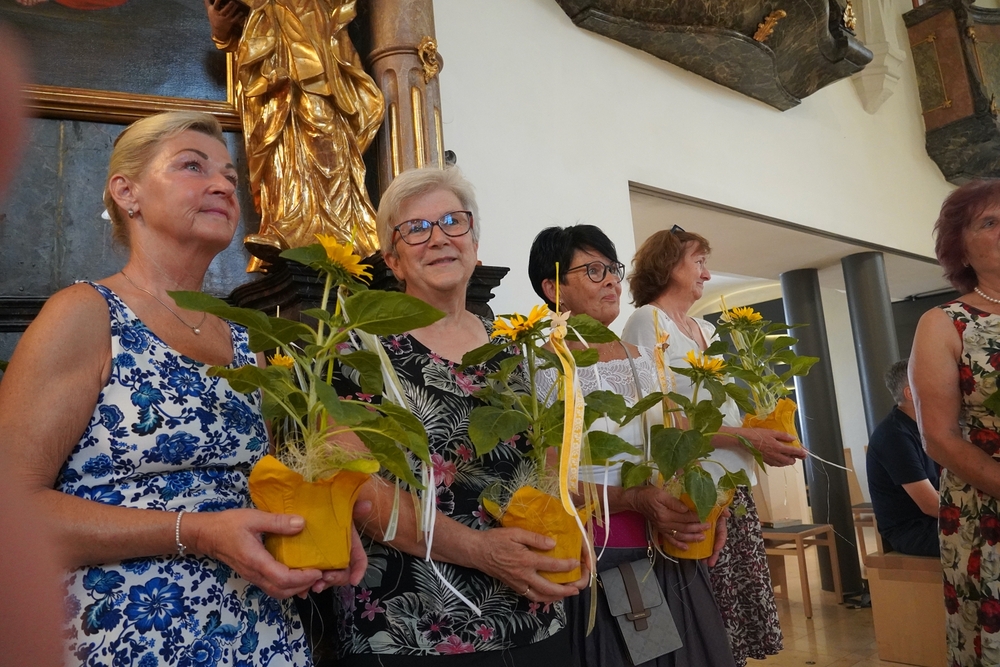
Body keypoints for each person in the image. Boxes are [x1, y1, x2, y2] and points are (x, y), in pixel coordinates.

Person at [0, 111, 368, 666]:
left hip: (260, 637)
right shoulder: (85, 314)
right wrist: (194, 532)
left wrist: (314, 523)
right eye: (193, 167)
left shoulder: (247, 341)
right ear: (127, 192)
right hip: (130, 637)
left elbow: (261, 486)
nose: (223, 185)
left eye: (229, 176)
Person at [311, 166, 587, 667]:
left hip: (533, 616)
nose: (438, 237)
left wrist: (574, 532)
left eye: (453, 221)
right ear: (393, 260)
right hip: (410, 628)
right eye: (416, 228)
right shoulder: (357, 349)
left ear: (475, 245)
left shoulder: (516, 348)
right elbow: (354, 485)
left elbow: (552, 468)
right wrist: (481, 550)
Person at [528, 224, 737, 667]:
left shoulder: (647, 358)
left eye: (613, 269)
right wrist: (632, 499)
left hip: (667, 547)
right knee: (624, 654)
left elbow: (677, 448)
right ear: (553, 288)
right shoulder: (538, 366)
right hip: (598, 557)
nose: (611, 281)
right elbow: (544, 478)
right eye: (594, 270)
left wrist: (709, 506)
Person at [621, 228, 806, 667]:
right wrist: (747, 437)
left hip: (729, 485)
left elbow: (719, 408)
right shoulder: (647, 321)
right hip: (691, 487)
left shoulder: (705, 328)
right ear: (668, 265)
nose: (707, 273)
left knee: (732, 618)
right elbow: (660, 418)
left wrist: (762, 431)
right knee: (704, 620)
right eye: (699, 262)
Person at [204, 0, 384, 271]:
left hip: (317, 62)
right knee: (280, 156)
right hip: (272, 81)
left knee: (326, 142)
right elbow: (238, 31)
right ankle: (287, 227)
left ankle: (343, 235)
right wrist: (221, 31)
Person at [910, 179, 1000, 665]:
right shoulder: (945, 322)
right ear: (960, 248)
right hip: (987, 505)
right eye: (990, 222)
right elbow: (939, 437)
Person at [866, 359, 940, 557]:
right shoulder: (894, 435)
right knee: (988, 534)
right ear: (910, 393)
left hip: (931, 520)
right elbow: (930, 505)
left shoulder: (926, 426)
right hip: (912, 530)